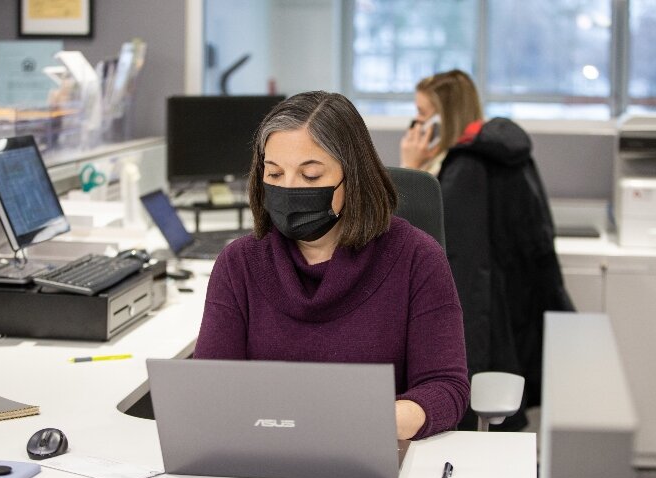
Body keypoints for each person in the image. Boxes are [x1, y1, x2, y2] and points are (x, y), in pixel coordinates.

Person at [194, 91, 469, 440]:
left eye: (310, 176)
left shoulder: (417, 258)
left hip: (373, 451)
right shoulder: (239, 264)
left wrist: (371, 422)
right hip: (267, 457)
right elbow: (208, 391)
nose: (289, 188)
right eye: (275, 174)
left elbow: (446, 388)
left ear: (352, 178)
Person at [400, 70, 574, 430]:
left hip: (473, 323)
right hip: (505, 313)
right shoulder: (492, 154)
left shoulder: (464, 169)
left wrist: (408, 170)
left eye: (421, 112)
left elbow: (419, 244)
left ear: (441, 116)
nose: (414, 121)